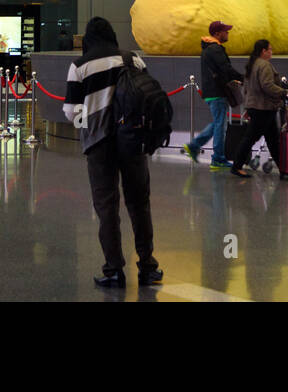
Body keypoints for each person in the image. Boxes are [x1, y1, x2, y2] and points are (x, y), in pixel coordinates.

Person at [63, 16, 162, 288]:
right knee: (139, 203)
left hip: (99, 144)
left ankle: (114, 270)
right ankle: (148, 266)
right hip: (133, 141)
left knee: (107, 207)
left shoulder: (79, 66)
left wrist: (88, 121)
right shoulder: (132, 59)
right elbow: (148, 96)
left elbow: (72, 111)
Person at [229, 39, 288, 178]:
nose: (271, 52)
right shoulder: (264, 65)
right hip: (263, 108)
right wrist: (285, 93)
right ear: (263, 51)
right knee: (251, 138)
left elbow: (247, 88)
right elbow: (267, 85)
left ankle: (284, 169)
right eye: (270, 49)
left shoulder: (253, 64)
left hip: (258, 107)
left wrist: (248, 107)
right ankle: (237, 166)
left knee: (272, 139)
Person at [182, 20, 242, 171]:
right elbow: (226, 69)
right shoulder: (215, 49)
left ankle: (194, 146)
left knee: (217, 123)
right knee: (220, 126)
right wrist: (243, 77)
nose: (227, 33)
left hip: (211, 92)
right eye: (225, 31)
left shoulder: (209, 49)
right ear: (217, 33)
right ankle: (218, 159)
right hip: (217, 92)